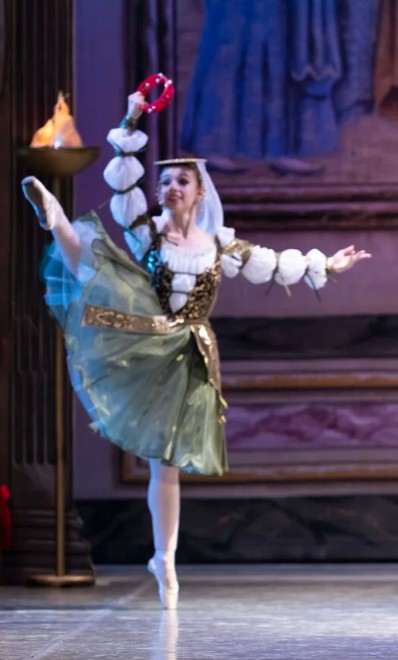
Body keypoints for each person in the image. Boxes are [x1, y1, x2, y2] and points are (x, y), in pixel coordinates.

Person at [21, 92, 371, 609]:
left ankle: (164, 559)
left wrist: (327, 266)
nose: (171, 187)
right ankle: (56, 219)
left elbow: (275, 264)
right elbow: (123, 183)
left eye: (181, 181)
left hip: (189, 352)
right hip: (146, 332)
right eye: (165, 181)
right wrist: (132, 117)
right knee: (101, 268)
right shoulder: (149, 234)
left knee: (167, 464)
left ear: (200, 190)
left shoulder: (219, 246)